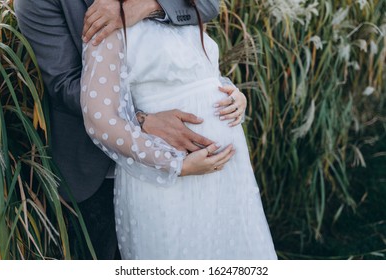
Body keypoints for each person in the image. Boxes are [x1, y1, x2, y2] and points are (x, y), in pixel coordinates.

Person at [14, 0, 232, 259]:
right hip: (95, 169)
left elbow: (208, 6)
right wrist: (143, 118)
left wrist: (147, 6)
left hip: (185, 153)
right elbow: (64, 83)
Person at [80, 0, 277, 259]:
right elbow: (100, 120)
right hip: (167, 178)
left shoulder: (178, 9)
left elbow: (199, 76)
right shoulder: (109, 22)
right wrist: (175, 165)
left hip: (227, 174)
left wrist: (234, 94)